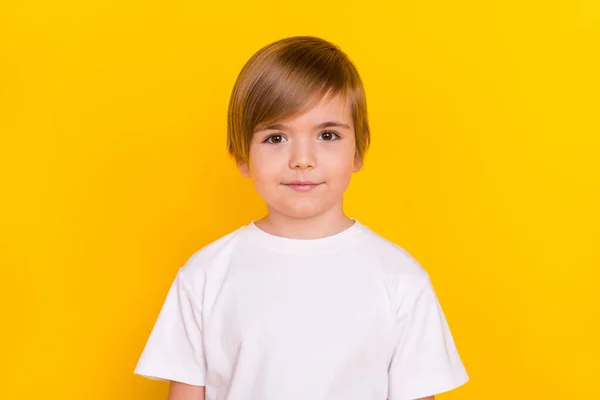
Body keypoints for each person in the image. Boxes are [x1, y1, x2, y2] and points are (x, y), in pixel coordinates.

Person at [134, 35, 469, 400]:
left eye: (327, 135)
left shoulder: (400, 279)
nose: (302, 159)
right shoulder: (205, 275)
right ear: (242, 155)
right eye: (276, 138)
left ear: (358, 152)